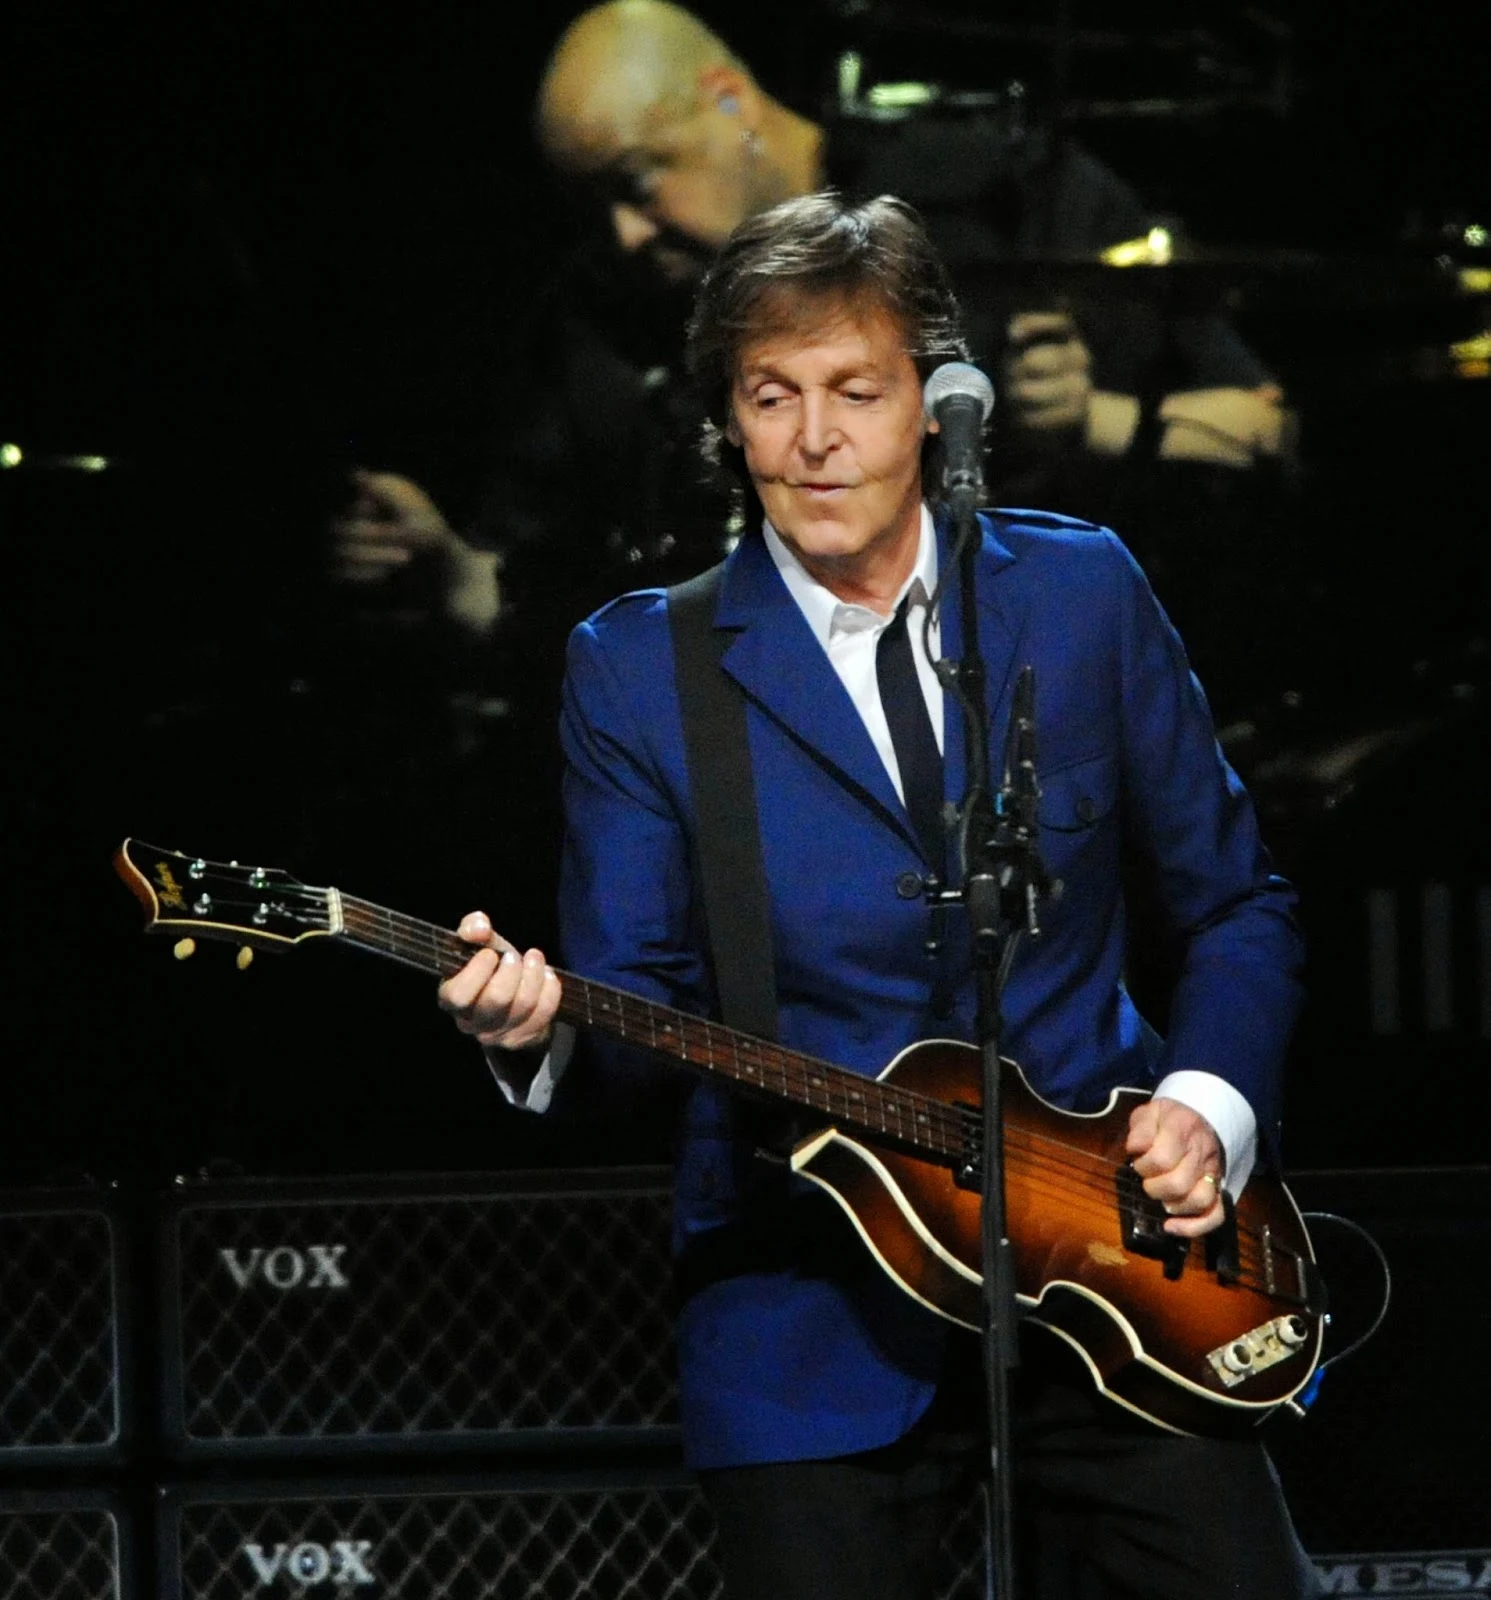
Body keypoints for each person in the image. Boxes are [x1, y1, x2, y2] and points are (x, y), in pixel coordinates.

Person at [436, 192, 1318, 1598]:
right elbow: (631, 1016)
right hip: (807, 1316)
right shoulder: (640, 669)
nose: (813, 439)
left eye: (855, 390)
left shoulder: (1080, 594)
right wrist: (534, 1036)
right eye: (770, 395)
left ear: (932, 404)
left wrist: (1205, 1108)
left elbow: (1236, 906)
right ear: (729, 422)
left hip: (1118, 1267)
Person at [342, 0, 1290, 647]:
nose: (624, 233)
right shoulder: (602, 306)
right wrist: (448, 570)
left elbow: (1263, 425)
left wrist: (1092, 423)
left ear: (728, 98)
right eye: (592, 206)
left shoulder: (995, 196)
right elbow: (532, 572)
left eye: (638, 180)